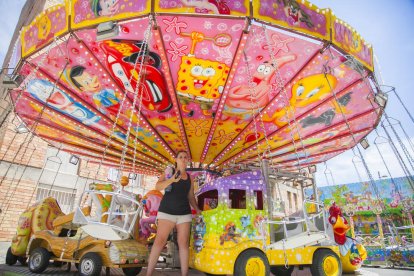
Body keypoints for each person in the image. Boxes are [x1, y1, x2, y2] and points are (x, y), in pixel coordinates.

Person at [146, 151, 201, 276]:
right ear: (176, 159)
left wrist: (197, 209)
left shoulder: (190, 178)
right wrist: (171, 180)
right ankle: (148, 273)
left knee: (183, 243)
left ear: (187, 160)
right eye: (180, 157)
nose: (183, 159)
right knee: (160, 241)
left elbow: (191, 196)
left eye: (185, 157)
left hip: (184, 213)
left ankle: (184, 274)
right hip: (167, 211)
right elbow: (158, 186)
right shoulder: (169, 172)